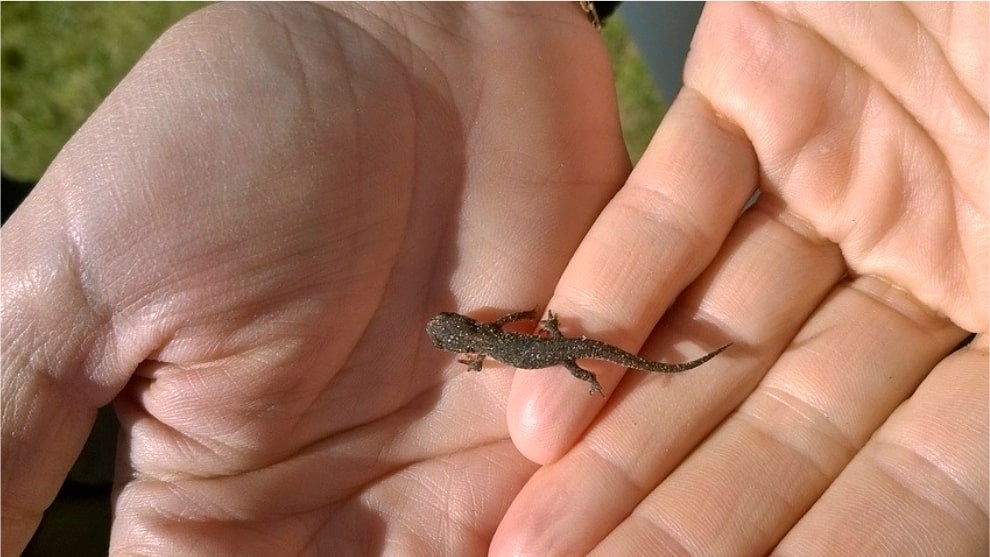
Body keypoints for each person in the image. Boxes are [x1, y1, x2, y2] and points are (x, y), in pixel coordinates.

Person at [2, 2, 985, 554]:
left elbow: (506, 330)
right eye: (457, 339)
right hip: (567, 338)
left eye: (455, 340)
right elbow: (507, 327)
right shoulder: (485, 335)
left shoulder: (485, 342)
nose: (453, 338)